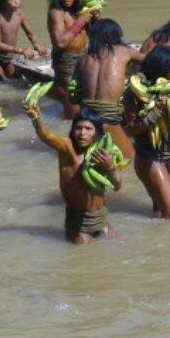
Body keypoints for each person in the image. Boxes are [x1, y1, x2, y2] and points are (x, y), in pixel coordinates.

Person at [24, 104, 122, 244]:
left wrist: (111, 168)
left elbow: (117, 186)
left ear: (97, 132)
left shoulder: (103, 152)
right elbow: (46, 136)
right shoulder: (66, 147)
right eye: (78, 128)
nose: (82, 133)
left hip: (101, 220)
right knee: (83, 261)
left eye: (88, 129)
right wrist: (37, 119)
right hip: (78, 224)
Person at [124, 46, 170, 219]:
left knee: (161, 214)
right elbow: (131, 129)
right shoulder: (135, 92)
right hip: (150, 159)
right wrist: (155, 114)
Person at [72, 18, 144, 160]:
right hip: (107, 121)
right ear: (116, 36)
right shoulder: (124, 51)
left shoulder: (82, 59)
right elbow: (154, 61)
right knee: (131, 159)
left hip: (83, 123)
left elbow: (72, 96)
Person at [46, 0, 98, 119]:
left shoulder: (78, 11)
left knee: (84, 107)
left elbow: (94, 35)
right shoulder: (56, 12)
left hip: (82, 61)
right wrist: (81, 21)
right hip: (66, 64)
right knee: (73, 117)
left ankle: (54, 93)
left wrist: (96, 20)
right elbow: (60, 42)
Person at [0, 0, 48, 83]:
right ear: (2, 1)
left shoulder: (19, 13)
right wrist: (21, 50)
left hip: (10, 57)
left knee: (17, 83)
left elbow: (29, 33)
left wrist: (36, 44)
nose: (17, 2)